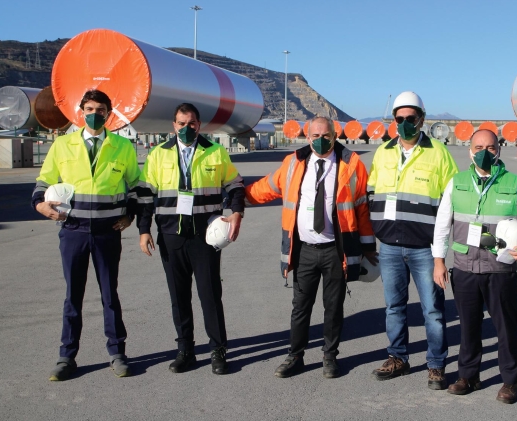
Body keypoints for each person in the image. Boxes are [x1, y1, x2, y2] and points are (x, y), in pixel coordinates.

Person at [246, 116, 376, 379]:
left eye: (326, 135)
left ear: (334, 134)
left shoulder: (351, 164)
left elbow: (361, 207)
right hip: (304, 249)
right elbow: (268, 187)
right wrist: (239, 196)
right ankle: (295, 355)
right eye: (315, 136)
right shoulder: (293, 163)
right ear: (307, 137)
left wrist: (368, 245)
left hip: (335, 250)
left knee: (333, 307)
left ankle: (330, 356)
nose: (320, 140)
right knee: (300, 306)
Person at [32, 89, 140, 381]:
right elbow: (43, 181)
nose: (95, 113)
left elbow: (135, 187)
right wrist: (40, 204)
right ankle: (66, 357)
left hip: (107, 233)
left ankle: (117, 353)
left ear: (109, 113)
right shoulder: (62, 145)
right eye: (90, 108)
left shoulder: (122, 146)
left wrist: (130, 214)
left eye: (101, 109)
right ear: (81, 111)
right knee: (73, 296)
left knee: (109, 296)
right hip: (73, 232)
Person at [432, 129, 517, 404]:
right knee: (468, 327)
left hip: (500, 269)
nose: (484, 152)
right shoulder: (456, 182)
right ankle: (468, 376)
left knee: (506, 327)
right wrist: (438, 261)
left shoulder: (513, 182)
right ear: (470, 150)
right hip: (465, 268)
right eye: (479, 146)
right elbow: (441, 225)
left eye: (491, 147)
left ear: (499, 150)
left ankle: (509, 382)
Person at [136, 103, 244, 375]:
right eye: (181, 123)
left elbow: (235, 185)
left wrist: (237, 214)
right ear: (174, 125)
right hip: (171, 236)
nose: (186, 128)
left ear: (199, 125)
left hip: (204, 237)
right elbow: (146, 195)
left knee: (210, 295)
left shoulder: (216, 152)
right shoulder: (158, 155)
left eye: (191, 123)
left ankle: (218, 350)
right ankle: (185, 350)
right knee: (179, 296)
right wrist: (144, 229)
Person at [367, 92, 459, 390]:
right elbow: (371, 192)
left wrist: (443, 251)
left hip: (424, 248)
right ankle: (398, 358)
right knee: (394, 306)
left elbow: (452, 199)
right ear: (393, 121)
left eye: (411, 118)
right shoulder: (383, 153)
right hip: (390, 245)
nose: (405, 124)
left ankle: (436, 365)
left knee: (432, 309)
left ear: (421, 119)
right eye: (399, 119)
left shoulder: (438, 153)